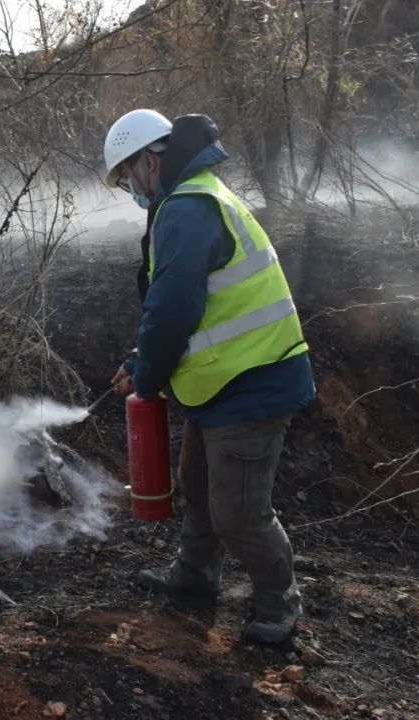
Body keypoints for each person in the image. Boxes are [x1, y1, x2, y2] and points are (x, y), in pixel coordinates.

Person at [103, 110, 316, 643]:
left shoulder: (188, 208)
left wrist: (147, 378)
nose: (131, 187)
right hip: (223, 379)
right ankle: (195, 575)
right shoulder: (196, 196)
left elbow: (174, 308)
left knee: (239, 512)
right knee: (196, 489)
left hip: (253, 379)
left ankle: (279, 604)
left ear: (151, 160)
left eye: (129, 174)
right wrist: (138, 359)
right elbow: (178, 304)